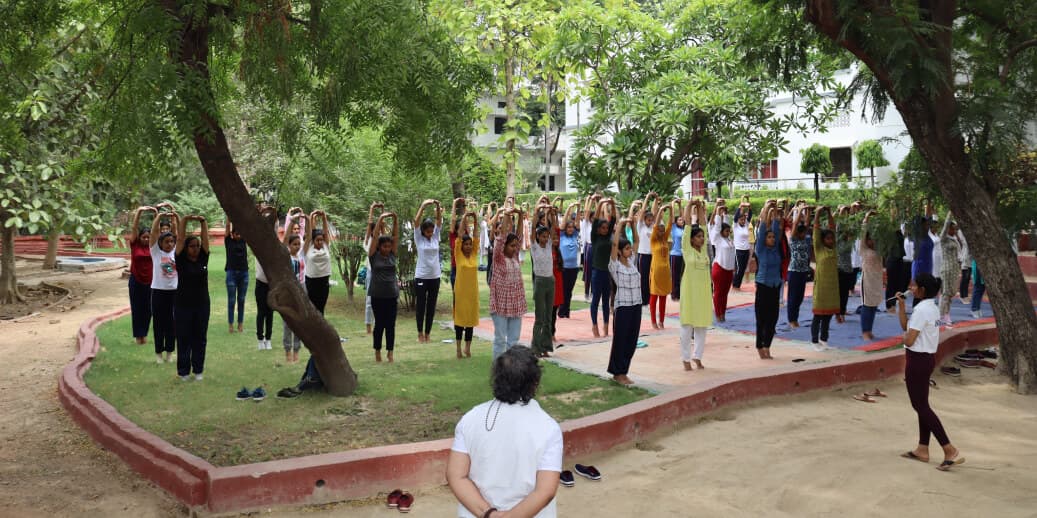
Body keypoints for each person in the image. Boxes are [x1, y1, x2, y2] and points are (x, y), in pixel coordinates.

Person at [446, 346, 562, 518]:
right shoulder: (548, 428)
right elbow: (545, 491)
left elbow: (456, 476)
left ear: (496, 379)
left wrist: (489, 514)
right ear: (535, 383)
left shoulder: (470, 419)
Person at [895, 273, 965, 471]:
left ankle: (949, 448)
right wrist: (901, 307)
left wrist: (902, 338)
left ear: (922, 289)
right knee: (922, 405)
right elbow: (906, 326)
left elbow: (909, 340)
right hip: (926, 359)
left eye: (914, 285)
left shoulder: (921, 310)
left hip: (917, 360)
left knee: (920, 406)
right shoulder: (931, 307)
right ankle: (922, 448)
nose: (911, 288)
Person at [174, 215, 210, 381]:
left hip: (202, 305)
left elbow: (205, 239)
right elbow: (180, 238)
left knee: (200, 338)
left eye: (197, 246)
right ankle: (183, 372)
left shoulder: (203, 258)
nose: (195, 248)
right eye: (192, 246)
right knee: (184, 338)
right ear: (186, 248)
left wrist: (203, 222)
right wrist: (185, 220)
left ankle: (198, 370)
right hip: (183, 305)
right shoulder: (180, 260)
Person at [607, 218, 643, 385]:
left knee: (632, 340)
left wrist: (633, 225)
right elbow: (614, 245)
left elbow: (637, 241)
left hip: (636, 305)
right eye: (627, 248)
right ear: (620, 252)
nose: (630, 250)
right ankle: (617, 372)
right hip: (623, 306)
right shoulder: (615, 265)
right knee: (620, 340)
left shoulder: (631, 262)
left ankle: (624, 371)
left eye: (629, 248)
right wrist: (620, 225)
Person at [489, 208, 527, 359]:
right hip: (500, 304)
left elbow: (519, 236)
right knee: (500, 339)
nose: (515, 248)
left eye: (516, 246)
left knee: (514, 340)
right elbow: (502, 237)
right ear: (504, 246)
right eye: (511, 246)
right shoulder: (498, 258)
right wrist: (505, 215)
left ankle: (512, 368)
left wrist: (520, 216)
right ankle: (498, 368)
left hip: (516, 303)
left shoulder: (515, 257)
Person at [680, 200, 713, 370]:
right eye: (698, 237)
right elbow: (687, 225)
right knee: (687, 325)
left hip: (704, 292)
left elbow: (704, 226)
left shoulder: (704, 251)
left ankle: (697, 356)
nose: (701, 238)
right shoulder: (687, 249)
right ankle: (685, 358)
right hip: (689, 291)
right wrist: (689, 205)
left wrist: (699, 208)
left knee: (702, 325)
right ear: (691, 239)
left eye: (702, 236)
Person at [368, 211, 400, 363]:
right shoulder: (373, 257)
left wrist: (395, 220)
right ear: (379, 247)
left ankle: (390, 352)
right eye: (384, 246)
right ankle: (377, 351)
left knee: (390, 325)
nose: (387, 249)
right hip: (377, 295)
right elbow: (374, 237)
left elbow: (396, 237)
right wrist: (380, 219)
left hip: (392, 295)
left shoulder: (392, 255)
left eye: (389, 246)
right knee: (379, 324)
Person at [754, 202, 784, 359]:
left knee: (773, 319)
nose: (772, 239)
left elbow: (777, 228)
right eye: (769, 237)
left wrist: (776, 212)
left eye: (773, 237)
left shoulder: (776, 249)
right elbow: (761, 231)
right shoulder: (760, 249)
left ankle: (767, 345)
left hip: (775, 287)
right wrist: (766, 209)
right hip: (763, 287)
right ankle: (760, 345)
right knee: (762, 319)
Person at [149, 210, 179, 364]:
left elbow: (178, 233)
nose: (170, 244)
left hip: (174, 293)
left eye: (172, 242)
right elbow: (153, 232)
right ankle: (158, 353)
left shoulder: (176, 252)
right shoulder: (155, 252)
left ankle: (170, 352)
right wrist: (159, 217)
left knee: (172, 323)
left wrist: (176, 217)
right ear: (160, 243)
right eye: (166, 242)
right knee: (159, 323)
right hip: (158, 292)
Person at [413, 199, 444, 343]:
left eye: (432, 231)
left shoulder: (436, 236)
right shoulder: (419, 239)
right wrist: (423, 206)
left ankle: (428, 333)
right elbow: (416, 221)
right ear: (423, 231)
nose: (430, 233)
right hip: (421, 277)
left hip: (435, 277)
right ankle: (420, 333)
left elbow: (439, 221)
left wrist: (437, 206)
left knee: (431, 306)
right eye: (428, 231)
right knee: (421, 306)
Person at [530, 206, 557, 358]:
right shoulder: (534, 247)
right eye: (543, 236)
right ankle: (535, 347)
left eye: (547, 236)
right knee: (539, 316)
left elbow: (553, 228)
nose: (546, 239)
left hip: (550, 281)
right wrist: (537, 211)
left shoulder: (548, 246)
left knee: (548, 316)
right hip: (540, 282)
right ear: (538, 236)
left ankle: (546, 346)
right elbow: (533, 228)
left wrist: (552, 214)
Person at [811, 206, 839, 351]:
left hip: (832, 287)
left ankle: (824, 340)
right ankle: (814, 341)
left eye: (831, 238)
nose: (831, 240)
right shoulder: (819, 248)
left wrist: (829, 213)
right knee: (818, 316)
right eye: (828, 238)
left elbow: (832, 228)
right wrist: (817, 213)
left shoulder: (834, 248)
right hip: (821, 287)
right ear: (822, 240)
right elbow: (816, 231)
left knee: (828, 316)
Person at [453, 211, 480, 359]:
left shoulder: (474, 254)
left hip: (472, 293)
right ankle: (458, 348)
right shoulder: (458, 255)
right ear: (461, 246)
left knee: (470, 321)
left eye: (470, 244)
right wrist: (464, 217)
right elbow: (459, 235)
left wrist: (475, 220)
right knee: (460, 320)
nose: (469, 246)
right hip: (461, 293)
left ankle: (467, 348)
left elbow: (476, 236)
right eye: (466, 244)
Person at [589, 199, 617, 338]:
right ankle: (594, 326)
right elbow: (595, 220)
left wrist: (612, 204)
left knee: (606, 301)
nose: (605, 230)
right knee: (596, 300)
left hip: (607, 273)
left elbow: (614, 219)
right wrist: (600, 204)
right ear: (598, 229)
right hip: (597, 272)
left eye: (607, 228)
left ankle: (606, 326)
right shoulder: (595, 237)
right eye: (603, 228)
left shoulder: (608, 237)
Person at [128, 206, 155, 345]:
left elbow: (156, 230)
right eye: (144, 237)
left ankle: (144, 334)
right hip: (136, 280)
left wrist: (156, 214)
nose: (146, 239)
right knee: (137, 308)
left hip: (150, 282)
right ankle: (138, 336)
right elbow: (134, 228)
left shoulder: (154, 247)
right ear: (139, 237)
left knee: (148, 309)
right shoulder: (135, 245)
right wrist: (139, 212)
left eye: (148, 237)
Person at [282, 214, 307, 363]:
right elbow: (285, 238)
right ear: (289, 245)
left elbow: (307, 237)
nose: (297, 246)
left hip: (301, 288)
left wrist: (307, 220)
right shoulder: (285, 255)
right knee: (288, 322)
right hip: (289, 290)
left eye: (298, 244)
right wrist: (291, 220)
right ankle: (287, 350)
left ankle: (296, 349)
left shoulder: (302, 254)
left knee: (299, 321)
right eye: (294, 244)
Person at [254, 206, 277, 350]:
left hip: (272, 284)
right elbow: (255, 227)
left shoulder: (274, 243)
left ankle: (268, 339)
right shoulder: (257, 243)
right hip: (261, 283)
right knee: (261, 312)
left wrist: (272, 211)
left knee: (270, 312)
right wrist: (261, 213)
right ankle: (260, 339)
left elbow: (275, 226)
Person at [648, 202, 674, 329]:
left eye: (663, 231)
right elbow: (656, 224)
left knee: (663, 297)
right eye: (660, 230)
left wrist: (671, 209)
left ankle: (662, 321)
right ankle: (653, 321)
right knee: (654, 296)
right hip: (656, 271)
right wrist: (661, 210)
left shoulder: (665, 238)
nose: (662, 232)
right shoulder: (653, 240)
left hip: (666, 272)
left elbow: (670, 223)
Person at [708, 203, 735, 322]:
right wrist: (718, 211)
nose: (728, 233)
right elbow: (718, 226)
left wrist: (725, 213)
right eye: (726, 231)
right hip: (719, 268)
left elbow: (725, 223)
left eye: (729, 231)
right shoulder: (717, 239)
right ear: (721, 231)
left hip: (729, 270)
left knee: (725, 293)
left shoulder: (729, 240)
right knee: (718, 293)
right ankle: (718, 313)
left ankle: (723, 313)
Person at [786, 208, 812, 329]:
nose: (804, 234)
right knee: (793, 296)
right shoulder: (793, 240)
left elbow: (807, 224)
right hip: (794, 271)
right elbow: (795, 224)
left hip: (803, 271)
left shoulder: (805, 239)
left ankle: (795, 317)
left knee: (800, 297)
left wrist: (808, 211)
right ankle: (792, 319)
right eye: (802, 233)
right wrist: (800, 210)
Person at [859, 211, 884, 340]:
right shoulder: (864, 249)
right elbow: (863, 232)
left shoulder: (879, 249)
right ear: (867, 240)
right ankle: (865, 331)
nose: (872, 241)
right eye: (870, 239)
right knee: (867, 305)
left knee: (874, 306)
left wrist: (880, 220)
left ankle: (870, 330)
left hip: (877, 281)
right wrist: (867, 217)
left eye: (874, 238)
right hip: (867, 281)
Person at [303, 210, 333, 315]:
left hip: (324, 281)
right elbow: (310, 234)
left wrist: (324, 217)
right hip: (311, 282)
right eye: (317, 240)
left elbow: (325, 232)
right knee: (312, 308)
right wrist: (311, 216)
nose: (320, 242)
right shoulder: (308, 248)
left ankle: (321, 325)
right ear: (313, 240)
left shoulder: (325, 246)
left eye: (321, 240)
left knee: (321, 308)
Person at [363, 202, 385, 335]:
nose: (376, 230)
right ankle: (368, 326)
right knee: (369, 300)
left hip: (381, 273)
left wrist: (382, 210)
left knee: (381, 300)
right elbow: (369, 224)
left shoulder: (382, 242)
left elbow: (383, 226)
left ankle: (379, 324)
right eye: (373, 229)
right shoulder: (368, 241)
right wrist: (372, 209)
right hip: (371, 272)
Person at [224, 220, 249, 333]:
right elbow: (227, 227)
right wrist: (229, 218)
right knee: (232, 300)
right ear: (232, 234)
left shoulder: (244, 240)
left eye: (240, 233)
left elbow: (247, 226)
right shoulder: (228, 241)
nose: (238, 235)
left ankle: (240, 324)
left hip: (244, 274)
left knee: (241, 300)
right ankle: (230, 324)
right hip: (231, 274)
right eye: (236, 233)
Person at [634, 192, 659, 306]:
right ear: (644, 220)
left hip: (652, 256)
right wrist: (648, 197)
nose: (650, 221)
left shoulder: (653, 227)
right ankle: (642, 299)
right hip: (643, 255)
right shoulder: (640, 226)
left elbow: (655, 212)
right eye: (648, 219)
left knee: (650, 278)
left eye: (651, 220)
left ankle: (649, 299)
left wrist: (656, 200)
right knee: (643, 277)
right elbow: (643, 211)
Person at [938, 211, 962, 325]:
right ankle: (944, 315)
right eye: (952, 228)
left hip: (954, 269)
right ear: (947, 229)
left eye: (954, 229)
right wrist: (950, 214)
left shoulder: (955, 239)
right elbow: (945, 225)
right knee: (946, 293)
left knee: (950, 292)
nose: (954, 230)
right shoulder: (944, 239)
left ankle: (942, 314)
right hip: (947, 269)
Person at [557, 206, 581, 318]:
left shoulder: (575, 236)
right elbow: (562, 225)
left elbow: (577, 223)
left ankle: (566, 311)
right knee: (563, 290)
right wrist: (569, 208)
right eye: (569, 227)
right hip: (564, 267)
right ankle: (561, 311)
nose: (571, 229)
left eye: (572, 227)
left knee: (569, 291)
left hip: (574, 268)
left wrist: (579, 208)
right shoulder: (561, 236)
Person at [581, 194, 599, 303]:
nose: (593, 219)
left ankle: (593, 292)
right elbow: (587, 212)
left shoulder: (597, 225)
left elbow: (599, 213)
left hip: (596, 248)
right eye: (592, 218)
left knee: (595, 271)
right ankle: (586, 293)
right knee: (588, 271)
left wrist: (597, 201)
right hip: (589, 247)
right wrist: (591, 200)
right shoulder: (586, 224)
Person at [732, 199, 753, 290]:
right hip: (738, 250)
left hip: (746, 250)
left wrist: (749, 207)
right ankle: (735, 285)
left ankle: (738, 285)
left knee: (743, 269)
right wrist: (740, 207)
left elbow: (750, 216)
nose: (743, 221)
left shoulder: (746, 225)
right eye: (741, 219)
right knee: (739, 268)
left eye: (744, 219)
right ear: (738, 220)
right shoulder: (735, 226)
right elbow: (736, 217)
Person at [669, 200, 685, 302]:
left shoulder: (684, 229)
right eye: (679, 220)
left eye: (682, 220)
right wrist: (673, 204)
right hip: (675, 255)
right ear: (676, 221)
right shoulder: (674, 228)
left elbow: (683, 216)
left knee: (680, 275)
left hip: (683, 255)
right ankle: (674, 295)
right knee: (674, 276)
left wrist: (679, 205)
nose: (681, 220)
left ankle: (679, 294)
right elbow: (672, 217)